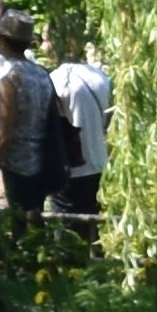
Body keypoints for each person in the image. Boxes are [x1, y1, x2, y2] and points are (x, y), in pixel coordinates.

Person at [0, 6, 59, 223]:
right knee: (34, 220)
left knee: (15, 223)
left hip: (14, 165)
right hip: (40, 160)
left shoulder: (9, 80)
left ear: (4, 39)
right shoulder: (41, 74)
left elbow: (5, 135)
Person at [47, 36, 113, 227]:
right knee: (93, 223)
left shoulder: (55, 80)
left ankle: (74, 257)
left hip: (70, 166)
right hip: (99, 161)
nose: (43, 46)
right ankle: (93, 256)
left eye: (46, 39)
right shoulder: (101, 78)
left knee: (67, 228)